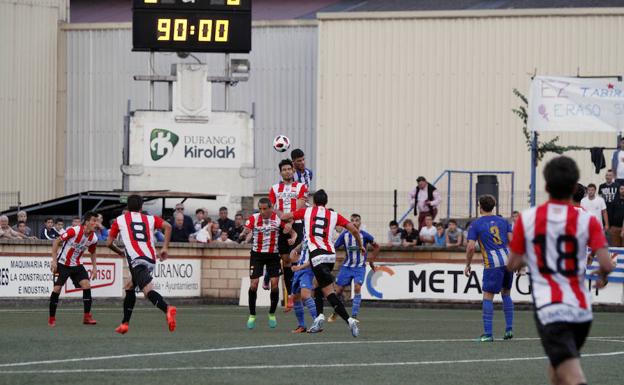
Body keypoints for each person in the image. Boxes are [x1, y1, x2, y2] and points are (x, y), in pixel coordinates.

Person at [508, 156, 614, 385]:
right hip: (582, 311)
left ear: (546, 186)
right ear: (576, 186)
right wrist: (602, 276)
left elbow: (513, 264)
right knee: (558, 369)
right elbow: (605, 264)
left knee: (572, 375)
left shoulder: (528, 219)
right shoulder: (588, 220)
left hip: (551, 309)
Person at [281, 189, 364, 337]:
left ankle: (346, 320)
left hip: (317, 256)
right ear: (326, 202)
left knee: (329, 293)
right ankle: (320, 317)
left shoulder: (307, 212)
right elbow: (354, 229)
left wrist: (287, 220)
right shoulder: (333, 215)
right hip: (330, 256)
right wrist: (361, 245)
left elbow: (286, 216)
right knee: (317, 286)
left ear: (314, 202)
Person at [106, 195, 176, 334]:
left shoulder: (119, 220)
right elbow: (168, 227)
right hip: (150, 259)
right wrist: (165, 248)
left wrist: (119, 251)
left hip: (136, 260)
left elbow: (108, 243)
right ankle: (124, 324)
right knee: (129, 286)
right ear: (141, 207)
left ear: (127, 207)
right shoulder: (150, 218)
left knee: (147, 290)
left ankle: (167, 309)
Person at [238, 198, 296, 329]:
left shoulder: (277, 219)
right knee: (254, 284)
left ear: (271, 208)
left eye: (265, 209)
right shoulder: (254, 218)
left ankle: (271, 313)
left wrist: (292, 237)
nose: (262, 211)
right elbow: (246, 229)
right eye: (260, 209)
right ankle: (252, 315)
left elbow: (291, 231)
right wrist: (243, 234)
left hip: (273, 255)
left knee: (275, 284)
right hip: (257, 255)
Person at [464, 195, 514, 342]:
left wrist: (467, 264)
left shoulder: (476, 224)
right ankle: (509, 330)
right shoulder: (504, 221)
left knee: (488, 296)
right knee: (506, 294)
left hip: (492, 263)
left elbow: (471, 247)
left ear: (480, 207)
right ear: (493, 206)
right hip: (508, 260)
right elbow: (513, 241)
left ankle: (488, 334)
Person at [269, 159, 308, 311]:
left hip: (297, 225)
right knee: (285, 260)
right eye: (283, 169)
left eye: (289, 169)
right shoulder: (274, 188)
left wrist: (290, 223)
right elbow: (273, 209)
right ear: (280, 172)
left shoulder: (300, 187)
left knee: (295, 258)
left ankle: (297, 295)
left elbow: (299, 207)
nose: (286, 171)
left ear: (293, 170)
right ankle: (290, 294)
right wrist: (285, 221)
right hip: (281, 226)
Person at [48, 212, 99, 327]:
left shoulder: (94, 238)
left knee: (86, 285)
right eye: (94, 221)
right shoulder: (74, 231)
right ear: (87, 222)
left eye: (97, 221)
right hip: (63, 264)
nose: (96, 223)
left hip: (77, 265)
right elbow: (57, 241)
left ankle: (87, 317)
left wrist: (95, 268)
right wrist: (54, 260)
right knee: (57, 289)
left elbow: (93, 252)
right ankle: (52, 318)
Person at [329, 213, 379, 322]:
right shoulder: (344, 235)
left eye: (357, 220)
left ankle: (354, 316)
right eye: (352, 220)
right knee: (338, 291)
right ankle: (336, 312)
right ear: (350, 222)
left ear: (360, 222)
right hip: (347, 266)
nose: (355, 222)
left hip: (359, 267)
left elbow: (377, 246)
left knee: (357, 288)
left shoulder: (365, 235)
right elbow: (334, 247)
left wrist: (371, 261)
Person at [289, 241, 318, 333]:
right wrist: (293, 252)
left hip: (307, 270)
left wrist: (300, 267)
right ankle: (302, 326)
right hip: (299, 270)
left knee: (305, 295)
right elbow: (297, 249)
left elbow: (315, 259)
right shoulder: (305, 238)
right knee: (296, 297)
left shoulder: (316, 240)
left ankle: (317, 323)